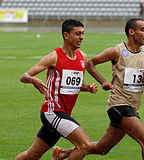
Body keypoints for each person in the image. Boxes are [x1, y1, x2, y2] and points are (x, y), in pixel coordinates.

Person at [52, 17, 144, 160]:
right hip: (118, 105)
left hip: (133, 107)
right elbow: (91, 63)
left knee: (102, 149)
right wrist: (103, 81)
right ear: (131, 32)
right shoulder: (117, 51)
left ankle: (62, 153)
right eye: (143, 30)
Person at [14, 19, 97, 160]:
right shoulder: (54, 57)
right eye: (77, 34)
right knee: (85, 145)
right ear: (66, 35)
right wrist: (32, 79)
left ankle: (59, 155)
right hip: (52, 112)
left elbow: (70, 83)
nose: (82, 37)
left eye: (82, 33)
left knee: (32, 155)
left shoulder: (82, 57)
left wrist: (87, 87)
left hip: (64, 113)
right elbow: (24, 76)